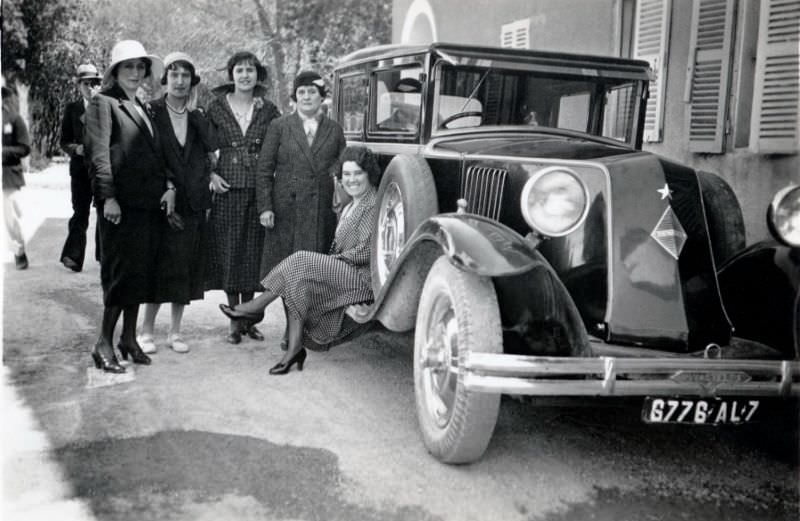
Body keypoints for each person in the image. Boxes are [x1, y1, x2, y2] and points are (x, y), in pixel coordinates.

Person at [221, 145, 380, 374]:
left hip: (362, 279)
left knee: (301, 260)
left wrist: (329, 264)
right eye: (346, 174)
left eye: (358, 174)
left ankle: (256, 307)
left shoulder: (372, 204)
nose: (351, 180)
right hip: (347, 271)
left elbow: (365, 253)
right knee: (298, 279)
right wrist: (328, 265)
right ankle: (294, 349)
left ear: (369, 174)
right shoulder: (351, 204)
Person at [84, 40, 172, 373]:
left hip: (147, 207)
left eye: (140, 67)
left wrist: (167, 187)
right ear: (115, 73)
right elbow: (99, 156)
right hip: (120, 208)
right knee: (120, 277)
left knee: (140, 275)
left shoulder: (142, 107)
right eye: (128, 67)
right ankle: (103, 343)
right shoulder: (103, 104)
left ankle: (128, 339)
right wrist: (108, 197)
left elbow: (154, 155)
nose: (135, 73)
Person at [255, 70, 346, 349]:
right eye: (302, 92)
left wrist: (339, 191)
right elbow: (264, 168)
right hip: (286, 210)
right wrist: (265, 208)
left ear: (322, 97)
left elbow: (342, 167)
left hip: (320, 210)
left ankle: (308, 328)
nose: (307, 97)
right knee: (289, 270)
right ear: (295, 97)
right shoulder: (280, 126)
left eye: (312, 92)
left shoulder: (334, 129)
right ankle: (290, 330)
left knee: (313, 270)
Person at [138, 52, 217, 354]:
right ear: (165, 80)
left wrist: (196, 112)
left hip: (193, 203)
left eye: (186, 76)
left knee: (183, 267)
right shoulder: (152, 111)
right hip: (163, 202)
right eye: (174, 75)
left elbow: (212, 148)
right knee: (159, 266)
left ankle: (175, 331)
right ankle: (146, 331)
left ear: (192, 82)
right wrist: (167, 185)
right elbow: (148, 157)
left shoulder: (197, 116)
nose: (180, 81)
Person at [205, 51, 280, 345]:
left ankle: (247, 318)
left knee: (252, 254)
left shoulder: (269, 110)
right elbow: (204, 147)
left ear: (257, 75)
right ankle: (234, 319)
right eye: (239, 70)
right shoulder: (216, 108)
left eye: (250, 70)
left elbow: (276, 149)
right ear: (231, 75)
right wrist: (210, 175)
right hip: (227, 189)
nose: (245, 75)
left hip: (258, 190)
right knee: (229, 252)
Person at [59, 63, 102, 272]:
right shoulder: (72, 109)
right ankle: (73, 256)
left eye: (94, 83)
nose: (90, 87)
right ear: (79, 86)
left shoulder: (106, 107)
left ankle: (104, 255)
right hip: (80, 170)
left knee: (103, 210)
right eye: (86, 83)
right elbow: (63, 140)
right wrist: (75, 149)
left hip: (102, 169)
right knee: (80, 211)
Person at [2, 79, 31, 270]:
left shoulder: (13, 119)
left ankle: (19, 251)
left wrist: (2, 151)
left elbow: (24, 148)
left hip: (7, 176)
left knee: (10, 218)